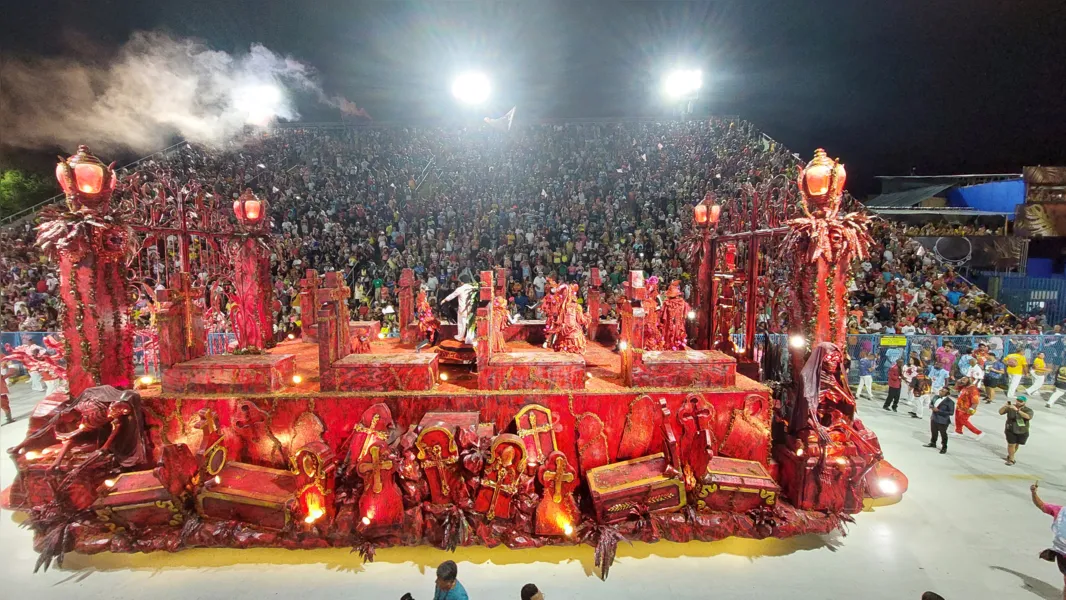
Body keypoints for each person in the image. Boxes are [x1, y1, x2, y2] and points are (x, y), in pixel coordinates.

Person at [1029, 481, 1066, 600]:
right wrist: (1033, 493)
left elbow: (1042, 506)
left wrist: (1033, 493)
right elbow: (1042, 506)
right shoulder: (1060, 511)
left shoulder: (1060, 511)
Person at [999, 395, 1034, 466]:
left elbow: (1028, 417)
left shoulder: (1028, 410)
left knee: (1017, 444)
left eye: (1021, 401)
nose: (1018, 402)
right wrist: (1005, 406)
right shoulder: (1011, 407)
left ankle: (1011, 455)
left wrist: (1017, 410)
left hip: (1022, 430)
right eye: (1018, 400)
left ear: (1024, 402)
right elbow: (1000, 412)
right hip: (1010, 429)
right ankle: (1011, 459)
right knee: (1011, 444)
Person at [923, 387, 954, 454]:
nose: (941, 392)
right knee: (933, 432)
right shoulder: (935, 397)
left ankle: (944, 447)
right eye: (941, 390)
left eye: (943, 391)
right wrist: (931, 406)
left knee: (943, 434)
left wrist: (939, 411)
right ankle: (933, 443)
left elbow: (951, 413)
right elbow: (931, 403)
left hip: (943, 420)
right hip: (934, 418)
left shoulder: (950, 402)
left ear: (947, 393)